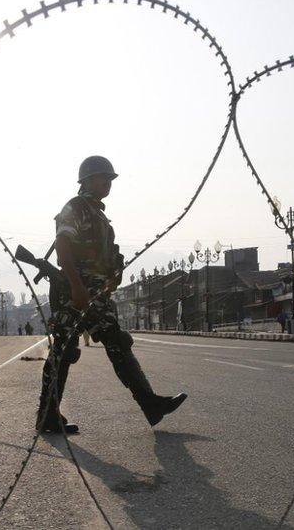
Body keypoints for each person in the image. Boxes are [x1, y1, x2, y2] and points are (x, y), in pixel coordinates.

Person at [36, 156, 187, 435]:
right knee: (64, 350)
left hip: (97, 295)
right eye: (102, 178)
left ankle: (150, 404)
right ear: (87, 181)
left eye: (110, 179)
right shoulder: (76, 207)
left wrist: (114, 273)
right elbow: (63, 247)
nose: (108, 183)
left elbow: (105, 256)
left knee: (115, 343)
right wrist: (77, 286)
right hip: (76, 292)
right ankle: (47, 415)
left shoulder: (99, 215)